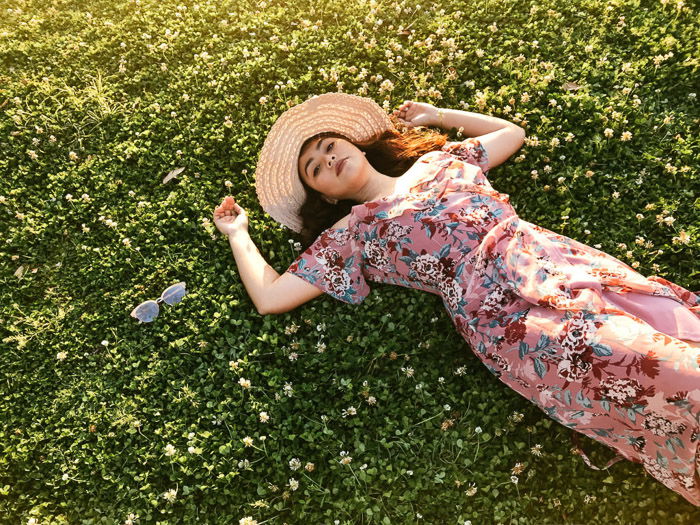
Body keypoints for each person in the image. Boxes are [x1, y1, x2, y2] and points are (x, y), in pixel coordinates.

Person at [213, 92, 700, 506]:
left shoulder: (440, 160)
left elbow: (512, 133)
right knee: (651, 369)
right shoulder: (352, 231)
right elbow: (271, 296)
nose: (327, 159)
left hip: (557, 263)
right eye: (315, 169)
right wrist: (238, 233)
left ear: (353, 143)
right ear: (325, 194)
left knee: (677, 326)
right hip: (504, 315)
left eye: (327, 146)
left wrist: (436, 115)